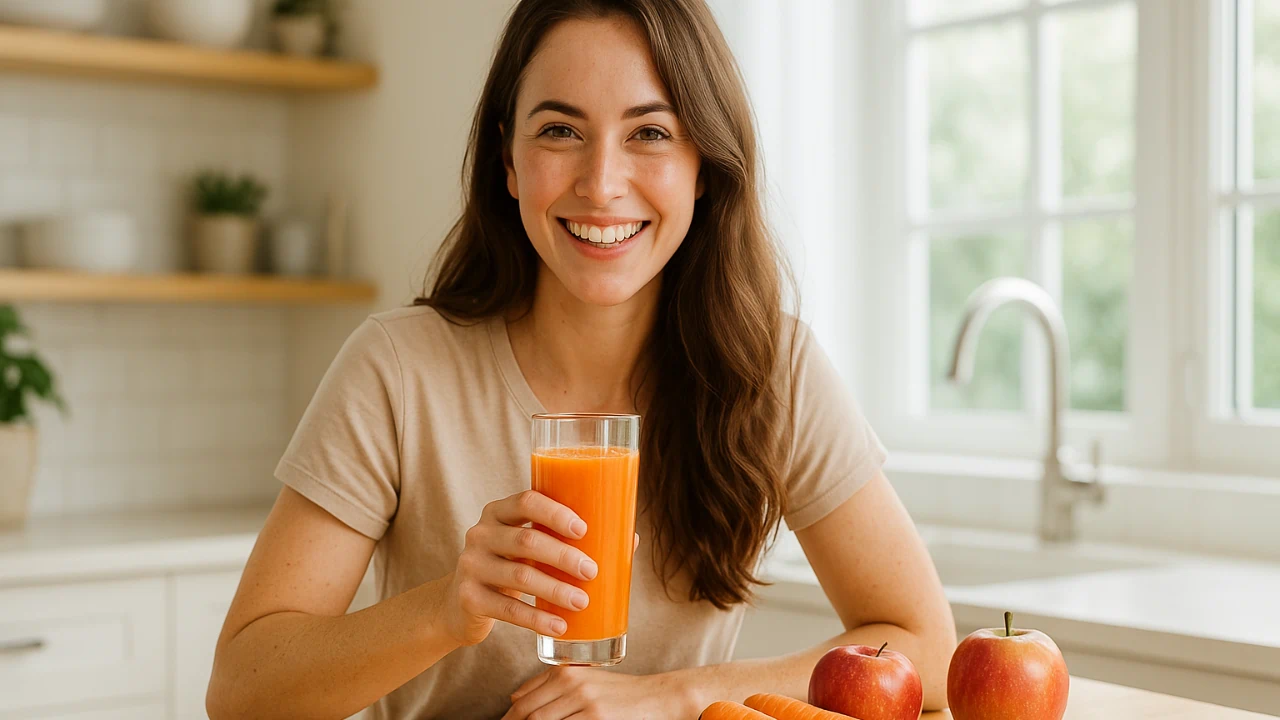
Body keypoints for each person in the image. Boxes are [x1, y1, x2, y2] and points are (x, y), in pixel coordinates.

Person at [206, 0, 955, 718]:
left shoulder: (772, 369)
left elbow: (924, 647)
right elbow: (242, 690)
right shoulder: (398, 370)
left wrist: (674, 696)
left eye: (650, 134)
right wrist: (447, 608)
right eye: (560, 130)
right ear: (508, 161)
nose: (600, 184)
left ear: (704, 163)